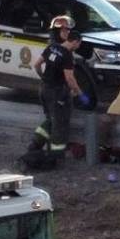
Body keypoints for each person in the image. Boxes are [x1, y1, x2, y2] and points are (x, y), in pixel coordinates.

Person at [33, 26, 84, 158]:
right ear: (75, 42)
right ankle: (55, 156)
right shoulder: (67, 56)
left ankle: (35, 145)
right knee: (60, 124)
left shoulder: (52, 47)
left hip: (44, 89)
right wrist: (78, 92)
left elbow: (37, 65)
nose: (78, 47)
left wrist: (43, 77)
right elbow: (69, 78)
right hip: (57, 93)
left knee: (50, 119)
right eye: (79, 44)